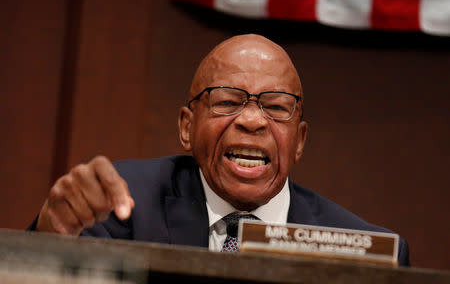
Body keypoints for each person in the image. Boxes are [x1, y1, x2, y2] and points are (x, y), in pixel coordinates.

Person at [30, 34, 410, 265]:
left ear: (300, 141)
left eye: (276, 107)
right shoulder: (118, 208)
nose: (252, 120)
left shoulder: (364, 252)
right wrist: (51, 234)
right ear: (187, 127)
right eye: (227, 101)